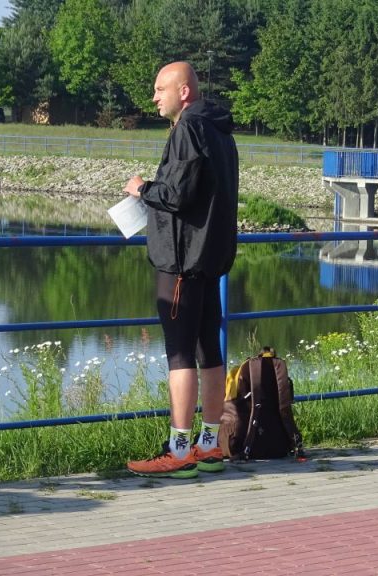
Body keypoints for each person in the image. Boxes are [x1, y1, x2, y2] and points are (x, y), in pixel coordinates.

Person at [123, 61, 239, 478]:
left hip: (182, 259)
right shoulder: (220, 130)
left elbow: (177, 194)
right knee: (210, 352)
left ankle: (178, 450)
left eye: (160, 89)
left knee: (180, 355)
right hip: (210, 258)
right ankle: (209, 445)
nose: (154, 97)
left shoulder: (189, 127)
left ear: (184, 91)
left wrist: (141, 189)